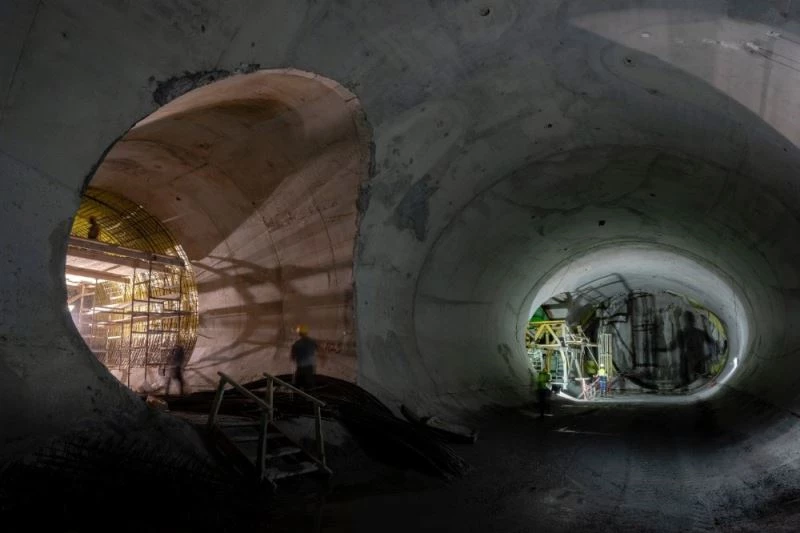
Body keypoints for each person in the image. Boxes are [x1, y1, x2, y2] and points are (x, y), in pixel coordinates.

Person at [291, 324, 318, 390]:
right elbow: (320, 349)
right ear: (307, 332)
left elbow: (293, 356)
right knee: (309, 388)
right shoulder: (312, 342)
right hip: (310, 369)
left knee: (297, 388)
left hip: (301, 369)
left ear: (300, 333)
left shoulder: (296, 344)